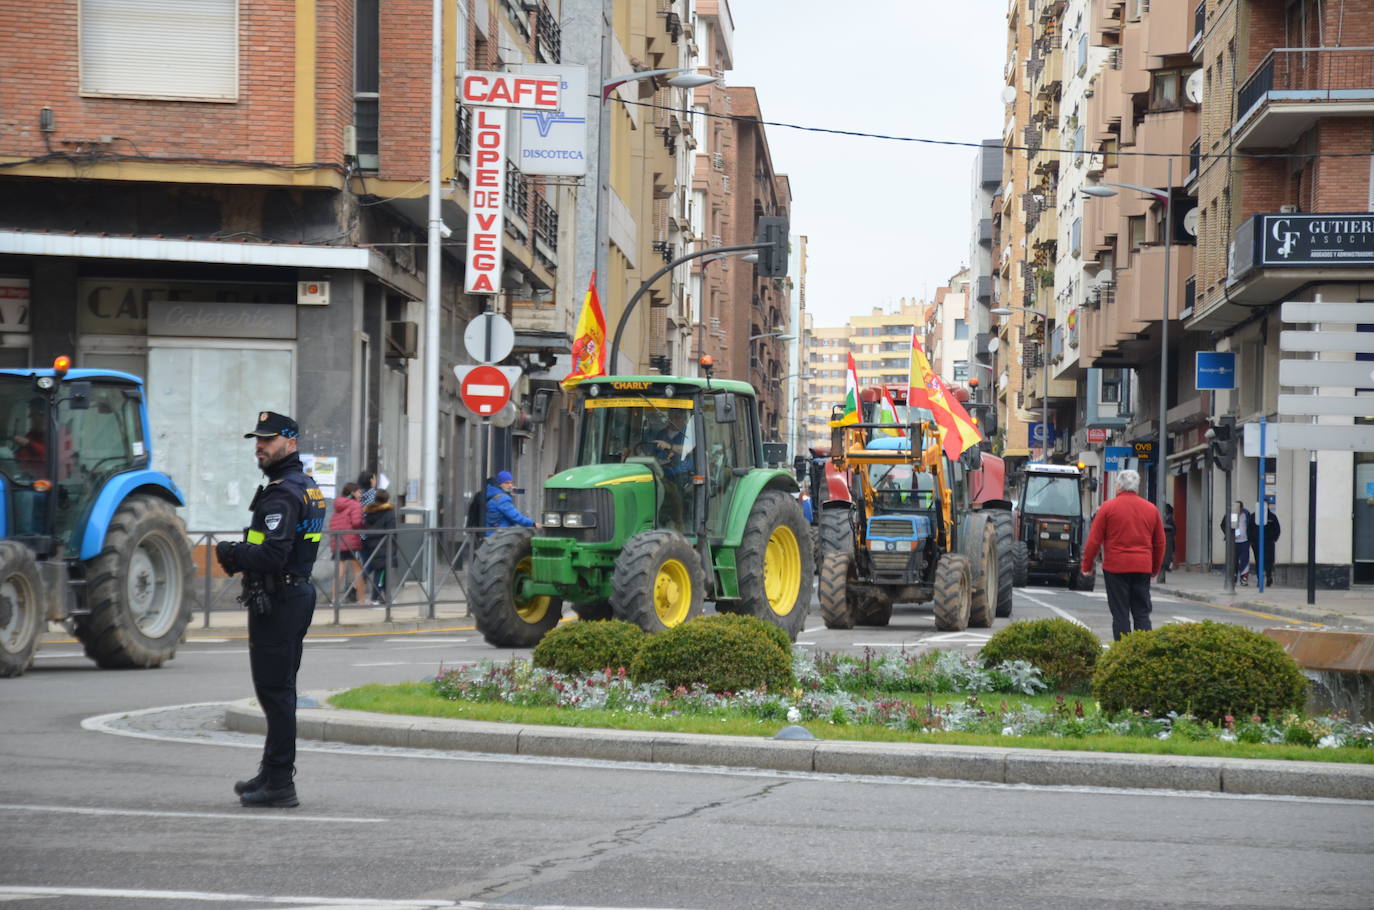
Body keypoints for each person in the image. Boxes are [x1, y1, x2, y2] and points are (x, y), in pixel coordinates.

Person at [214, 411, 326, 808]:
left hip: (279, 597)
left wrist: (229, 553)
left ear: (290, 443)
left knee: (276, 692)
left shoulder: (282, 493)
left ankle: (280, 781)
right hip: (293, 594)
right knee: (278, 690)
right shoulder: (305, 486)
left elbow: (271, 554)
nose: (259, 446)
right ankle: (270, 770)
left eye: (268, 439)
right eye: (257, 439)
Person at [1080, 469, 1165, 641]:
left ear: (1118, 486)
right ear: (1137, 487)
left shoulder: (1108, 508)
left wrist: (1087, 566)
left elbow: (1094, 540)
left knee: (1120, 614)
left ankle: (1122, 651)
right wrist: (1154, 569)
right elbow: (1160, 543)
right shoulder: (1151, 509)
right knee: (1141, 613)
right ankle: (1143, 651)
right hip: (1142, 567)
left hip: (1116, 568)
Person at [330, 482, 367, 603]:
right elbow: (356, 523)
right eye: (358, 491)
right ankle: (361, 599)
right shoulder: (355, 505)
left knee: (340, 570)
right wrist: (363, 525)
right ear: (352, 492)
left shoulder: (338, 504)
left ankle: (334, 599)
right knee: (358, 570)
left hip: (338, 540)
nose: (360, 494)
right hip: (351, 541)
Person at [362, 488, 397, 602]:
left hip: (372, 544)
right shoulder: (389, 512)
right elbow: (392, 530)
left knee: (382, 570)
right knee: (381, 572)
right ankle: (375, 598)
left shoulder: (369, 512)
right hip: (385, 544)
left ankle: (386, 597)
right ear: (387, 499)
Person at [485, 470, 534, 534]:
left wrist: (508, 494)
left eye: (511, 483)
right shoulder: (502, 499)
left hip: (491, 533)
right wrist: (533, 523)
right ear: (500, 484)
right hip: (499, 536)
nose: (510, 485)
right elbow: (516, 517)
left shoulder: (493, 493)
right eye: (507, 483)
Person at [1247, 503, 1280, 587]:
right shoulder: (1253, 517)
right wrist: (1251, 540)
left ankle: (1269, 576)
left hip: (1268, 542)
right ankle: (1260, 579)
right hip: (1256, 543)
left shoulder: (1272, 517)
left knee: (1269, 561)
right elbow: (1249, 528)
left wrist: (1274, 538)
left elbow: (1277, 529)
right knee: (1258, 561)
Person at [1221, 500, 1251, 585]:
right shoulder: (1230, 514)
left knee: (1245, 559)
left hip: (1244, 541)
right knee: (1233, 560)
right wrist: (1229, 534)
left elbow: (1249, 525)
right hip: (1233, 542)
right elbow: (1223, 525)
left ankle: (1244, 578)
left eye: (1240, 508)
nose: (1238, 510)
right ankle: (1233, 577)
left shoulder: (1246, 514)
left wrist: (1250, 537)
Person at [1162, 503, 1176, 573]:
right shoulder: (1166, 517)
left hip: (1169, 537)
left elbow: (1173, 528)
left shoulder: (1170, 518)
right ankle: (1166, 565)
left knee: (1169, 552)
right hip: (1167, 537)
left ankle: (1167, 565)